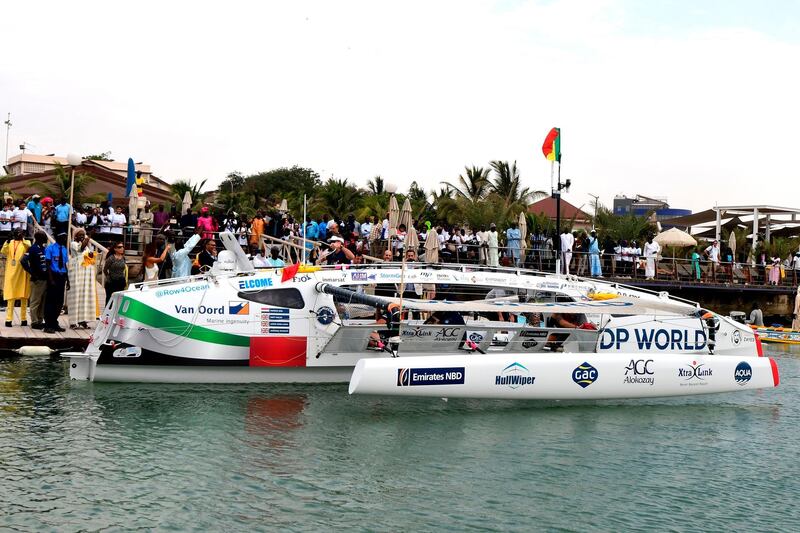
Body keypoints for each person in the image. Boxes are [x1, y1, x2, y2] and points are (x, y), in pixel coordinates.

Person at [67, 229, 98, 329]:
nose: (82, 237)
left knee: (85, 297)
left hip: (86, 273)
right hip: (76, 272)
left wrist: (91, 255)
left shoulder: (87, 246)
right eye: (80, 235)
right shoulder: (73, 244)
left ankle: (82, 320)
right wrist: (89, 236)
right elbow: (80, 249)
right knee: (76, 296)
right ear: (75, 236)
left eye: (83, 235)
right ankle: (73, 322)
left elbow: (89, 255)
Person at [2, 229, 31, 326]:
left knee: (24, 297)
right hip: (11, 273)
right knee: (11, 297)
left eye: (21, 232)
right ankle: (8, 319)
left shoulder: (26, 242)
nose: (19, 234)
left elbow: (29, 247)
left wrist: (22, 239)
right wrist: (7, 241)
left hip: (22, 273)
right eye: (17, 232)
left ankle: (23, 319)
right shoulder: (10, 243)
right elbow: (3, 251)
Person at [43, 232, 69, 333]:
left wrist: (68, 280)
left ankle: (54, 322)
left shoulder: (64, 249)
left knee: (59, 302)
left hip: (61, 277)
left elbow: (64, 265)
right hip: (53, 276)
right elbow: (48, 264)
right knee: (50, 302)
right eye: (63, 237)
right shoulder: (50, 248)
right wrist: (51, 279)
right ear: (58, 238)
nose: (65, 239)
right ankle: (48, 324)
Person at [26, 231, 49, 329]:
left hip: (45, 278)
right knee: (35, 301)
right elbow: (23, 261)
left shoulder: (44, 248)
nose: (46, 239)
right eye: (44, 237)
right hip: (37, 279)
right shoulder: (32, 249)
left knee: (43, 302)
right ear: (39, 238)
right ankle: (34, 322)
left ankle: (40, 320)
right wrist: (32, 273)